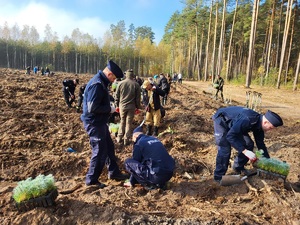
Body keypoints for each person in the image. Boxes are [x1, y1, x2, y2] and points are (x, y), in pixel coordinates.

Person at [81, 60, 129, 188]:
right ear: (110, 74)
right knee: (100, 150)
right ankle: (91, 180)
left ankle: (114, 172)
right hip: (94, 123)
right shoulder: (97, 84)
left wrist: (110, 104)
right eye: (114, 78)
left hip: (100, 122)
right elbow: (92, 107)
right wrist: (110, 109)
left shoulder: (101, 82)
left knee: (108, 146)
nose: (114, 81)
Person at [212, 106, 283, 183]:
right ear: (266, 122)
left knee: (248, 144)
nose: (270, 130)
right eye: (270, 128)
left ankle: (238, 167)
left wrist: (268, 162)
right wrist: (244, 151)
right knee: (225, 149)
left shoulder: (259, 125)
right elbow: (230, 136)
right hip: (223, 121)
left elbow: (261, 144)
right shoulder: (248, 119)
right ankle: (218, 177)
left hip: (236, 125)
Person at [115, 69, 142, 146]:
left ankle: (119, 137)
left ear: (126, 75)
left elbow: (116, 96)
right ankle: (126, 139)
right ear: (132, 75)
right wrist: (138, 107)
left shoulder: (120, 83)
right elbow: (138, 98)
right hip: (131, 106)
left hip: (122, 106)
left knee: (122, 121)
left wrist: (117, 105)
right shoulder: (136, 84)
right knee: (128, 123)